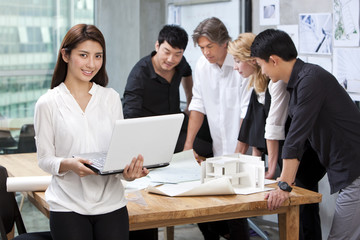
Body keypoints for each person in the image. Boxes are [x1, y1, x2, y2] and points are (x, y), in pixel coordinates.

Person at [33, 24, 149, 240]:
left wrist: (129, 173)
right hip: (67, 205)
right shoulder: (47, 103)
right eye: (83, 55)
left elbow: (117, 154)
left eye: (98, 56)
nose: (91, 64)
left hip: (112, 204)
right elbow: (45, 159)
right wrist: (69, 164)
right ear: (65, 55)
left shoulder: (111, 98)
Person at [251, 29, 360, 240]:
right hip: (347, 170)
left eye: (260, 64)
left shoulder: (311, 80)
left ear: (273, 60)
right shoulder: (300, 80)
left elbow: (296, 136)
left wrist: (284, 185)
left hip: (356, 170)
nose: (262, 72)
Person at [228, 32, 325, 240]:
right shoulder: (257, 83)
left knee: (304, 212)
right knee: (293, 212)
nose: (235, 67)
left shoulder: (278, 82)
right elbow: (253, 126)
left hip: (299, 155)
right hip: (286, 153)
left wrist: (272, 168)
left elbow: (274, 127)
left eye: (238, 61)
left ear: (253, 60)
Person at [184, 17, 252, 240]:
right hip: (218, 146)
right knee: (208, 208)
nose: (205, 52)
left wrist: (239, 153)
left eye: (209, 47)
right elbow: (198, 103)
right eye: (202, 47)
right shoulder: (203, 65)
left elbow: (245, 112)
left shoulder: (241, 64)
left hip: (244, 147)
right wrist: (188, 145)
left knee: (236, 212)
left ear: (225, 43)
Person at [123, 24, 212, 157]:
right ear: (157, 46)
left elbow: (187, 72)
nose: (171, 59)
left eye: (178, 54)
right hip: (153, 133)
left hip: (176, 122)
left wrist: (190, 102)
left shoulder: (180, 63)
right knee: (203, 150)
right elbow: (130, 118)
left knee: (210, 136)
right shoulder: (139, 75)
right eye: (167, 52)